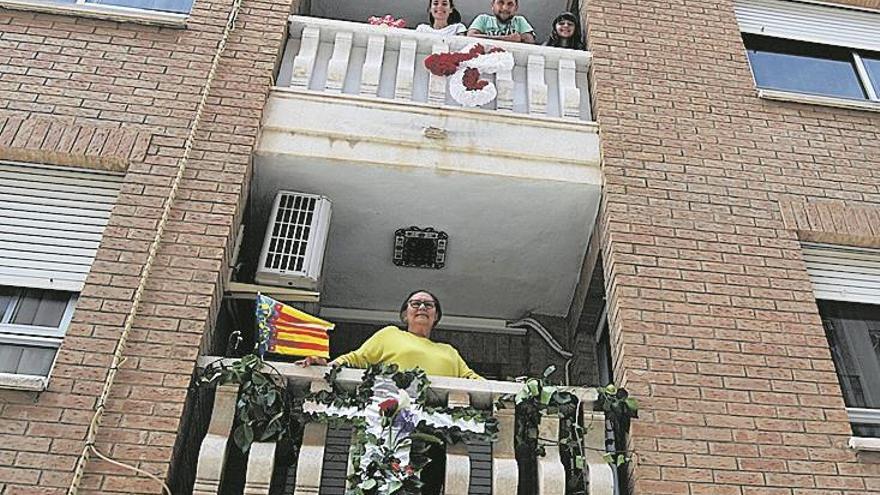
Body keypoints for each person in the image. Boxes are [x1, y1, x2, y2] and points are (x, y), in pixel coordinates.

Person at [296, 289, 482, 379]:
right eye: (415, 303)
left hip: (438, 427)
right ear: (404, 315)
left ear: (436, 316)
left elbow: (471, 379)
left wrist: (510, 388)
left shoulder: (449, 351)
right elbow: (357, 359)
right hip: (393, 417)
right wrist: (328, 366)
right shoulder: (390, 334)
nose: (422, 307)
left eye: (429, 304)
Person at [467, 0, 536, 44]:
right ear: (493, 5)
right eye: (500, 2)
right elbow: (470, 36)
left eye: (510, 4)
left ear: (516, 8)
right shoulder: (483, 19)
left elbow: (530, 41)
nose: (505, 8)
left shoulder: (520, 21)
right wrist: (507, 39)